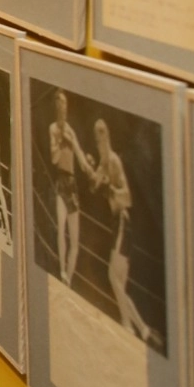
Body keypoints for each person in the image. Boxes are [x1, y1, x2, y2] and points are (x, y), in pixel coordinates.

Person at [91, 118, 158, 344]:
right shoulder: (102, 164)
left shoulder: (114, 161)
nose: (99, 140)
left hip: (122, 221)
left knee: (113, 277)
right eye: (96, 135)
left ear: (107, 136)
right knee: (120, 286)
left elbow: (127, 198)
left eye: (102, 134)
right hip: (116, 223)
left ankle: (130, 326)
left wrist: (109, 188)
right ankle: (142, 330)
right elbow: (93, 184)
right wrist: (92, 174)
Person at [48, 89, 91, 289]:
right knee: (61, 229)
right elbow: (54, 159)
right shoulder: (52, 129)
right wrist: (60, 142)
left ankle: (68, 281)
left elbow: (81, 158)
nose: (62, 107)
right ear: (55, 107)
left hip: (72, 184)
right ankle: (62, 271)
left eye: (64, 103)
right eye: (59, 104)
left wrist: (90, 171)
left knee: (75, 240)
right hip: (61, 181)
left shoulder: (71, 131)